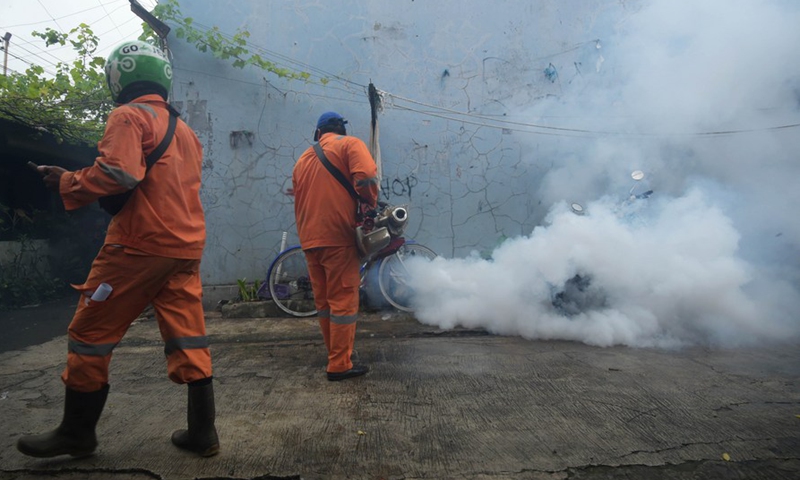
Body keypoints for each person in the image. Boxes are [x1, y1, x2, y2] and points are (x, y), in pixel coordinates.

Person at [16, 40, 219, 458]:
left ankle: (77, 432)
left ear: (118, 78)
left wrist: (68, 182)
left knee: (89, 334)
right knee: (188, 336)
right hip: (184, 249)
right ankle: (203, 433)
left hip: (138, 247)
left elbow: (120, 173)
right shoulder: (184, 131)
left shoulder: (128, 115)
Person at [292, 112, 379, 381]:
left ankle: (336, 355)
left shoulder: (302, 159)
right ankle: (340, 365)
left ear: (318, 134)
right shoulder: (349, 144)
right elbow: (365, 176)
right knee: (343, 299)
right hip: (337, 236)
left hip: (309, 238)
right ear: (340, 130)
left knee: (325, 302)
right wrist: (369, 204)